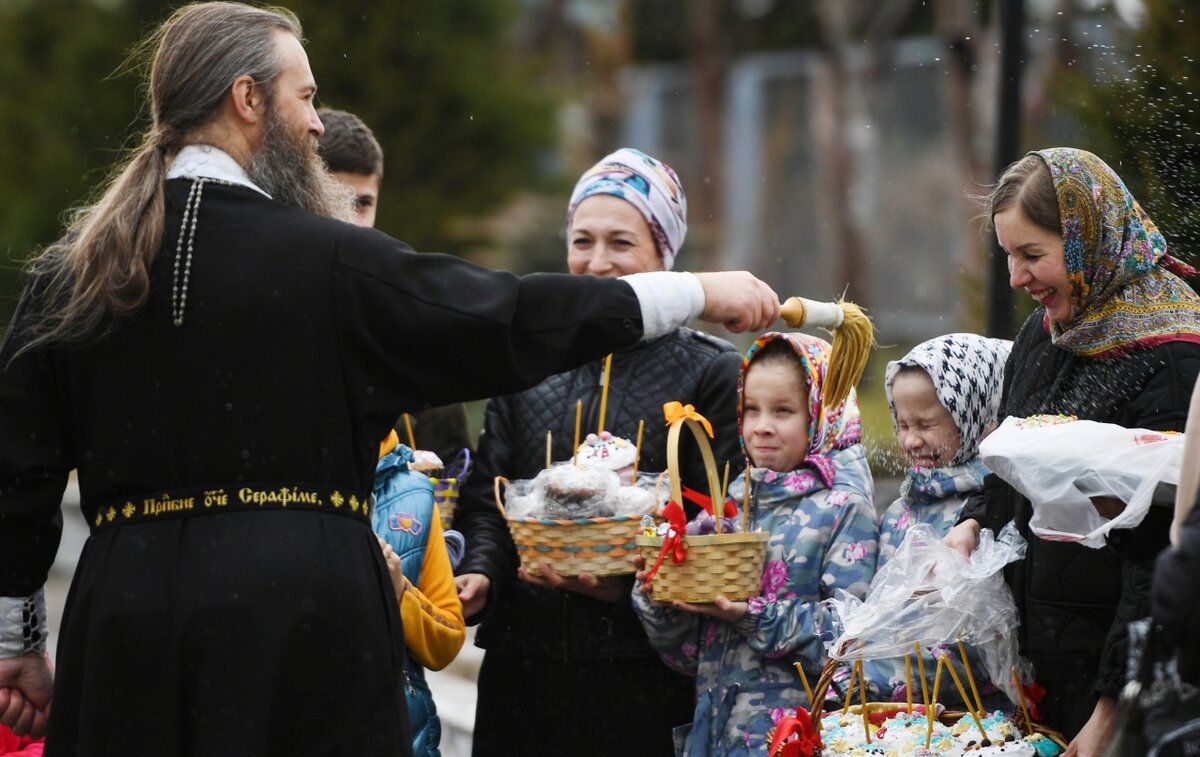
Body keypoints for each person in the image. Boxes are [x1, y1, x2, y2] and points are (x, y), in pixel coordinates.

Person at [0, 4, 780, 754]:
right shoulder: (330, 260)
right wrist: (699, 292)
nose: (314, 122)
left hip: (122, 625)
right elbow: (506, 317)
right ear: (247, 101)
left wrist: (15, 641)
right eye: (304, 97)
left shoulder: (75, 271)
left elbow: (15, 475)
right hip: (298, 623)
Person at [450, 147, 744, 756]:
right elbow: (488, 500)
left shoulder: (711, 373)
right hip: (522, 669)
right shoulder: (524, 363)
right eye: (582, 241)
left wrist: (630, 586)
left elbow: (725, 523)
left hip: (645, 672)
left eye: (621, 242)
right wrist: (481, 571)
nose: (598, 262)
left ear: (666, 255)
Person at [944, 147, 1200, 754]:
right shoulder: (1047, 330)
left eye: (1033, 255)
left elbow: (1158, 555)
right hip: (1039, 666)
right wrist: (973, 522)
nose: (1015, 278)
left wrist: (1112, 709)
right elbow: (1009, 460)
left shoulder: (1172, 356)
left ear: (1092, 240)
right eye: (1008, 256)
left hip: (1112, 686)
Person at [632, 331, 878, 756]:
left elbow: (850, 643)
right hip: (716, 734)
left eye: (783, 411)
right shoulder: (730, 505)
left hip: (794, 739)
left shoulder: (843, 507)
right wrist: (659, 595)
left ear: (823, 414)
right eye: (751, 409)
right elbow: (688, 654)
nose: (762, 426)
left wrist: (752, 614)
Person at [316, 106, 473, 465]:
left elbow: (452, 477)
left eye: (362, 204)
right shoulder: (268, 307)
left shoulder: (412, 326)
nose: (351, 222)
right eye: (334, 201)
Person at [863, 333, 1011, 707]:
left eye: (927, 425)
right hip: (894, 722)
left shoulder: (989, 513)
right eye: (903, 424)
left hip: (970, 723)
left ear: (976, 415)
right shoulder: (900, 512)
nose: (911, 441)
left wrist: (870, 673)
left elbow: (977, 639)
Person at [373, 431, 466, 757]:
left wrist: (399, 591)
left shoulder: (415, 493)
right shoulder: (282, 486)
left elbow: (449, 638)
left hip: (400, 732)